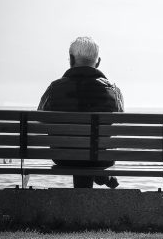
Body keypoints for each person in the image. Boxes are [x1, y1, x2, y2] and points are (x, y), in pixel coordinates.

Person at [38, 36, 124, 188]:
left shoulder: (54, 88)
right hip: (101, 157)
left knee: (81, 151)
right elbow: (119, 122)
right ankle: (101, 176)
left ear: (71, 59)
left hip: (63, 157)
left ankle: (99, 178)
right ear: (98, 62)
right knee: (93, 151)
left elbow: (40, 120)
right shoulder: (113, 90)